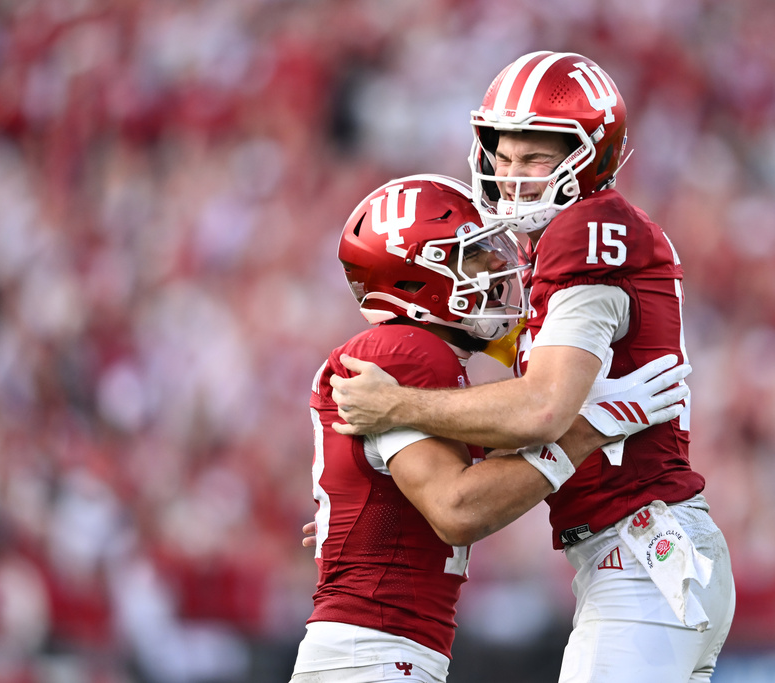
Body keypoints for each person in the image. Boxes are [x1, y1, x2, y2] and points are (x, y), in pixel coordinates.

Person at [328, 52, 736, 682]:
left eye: (537, 156)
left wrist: (397, 407)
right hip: (644, 555)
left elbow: (542, 408)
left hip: (644, 553)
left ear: (590, 153)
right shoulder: (561, 246)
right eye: (505, 155)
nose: (513, 176)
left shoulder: (586, 228)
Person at [292, 173, 691, 683]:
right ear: (416, 278)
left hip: (376, 651)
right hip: (371, 653)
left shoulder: (413, 354)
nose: (501, 265)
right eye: (475, 253)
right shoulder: (407, 352)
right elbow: (457, 509)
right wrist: (589, 427)